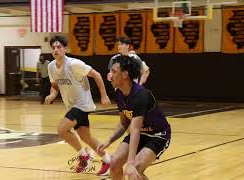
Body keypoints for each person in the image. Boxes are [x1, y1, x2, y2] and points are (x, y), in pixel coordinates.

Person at [45, 35, 111, 175]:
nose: (56, 50)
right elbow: (55, 86)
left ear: (65, 49)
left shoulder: (74, 64)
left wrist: (104, 95)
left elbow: (97, 75)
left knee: (62, 130)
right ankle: (107, 160)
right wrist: (52, 94)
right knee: (86, 137)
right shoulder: (51, 67)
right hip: (71, 105)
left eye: (59, 47)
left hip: (82, 104)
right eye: (53, 47)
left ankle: (84, 157)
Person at [98, 56, 171, 180]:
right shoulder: (119, 93)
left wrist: (130, 162)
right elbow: (124, 123)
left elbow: (135, 129)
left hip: (157, 136)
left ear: (125, 74)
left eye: (114, 71)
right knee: (114, 163)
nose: (110, 75)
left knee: (134, 170)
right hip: (139, 134)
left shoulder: (141, 95)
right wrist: (109, 140)